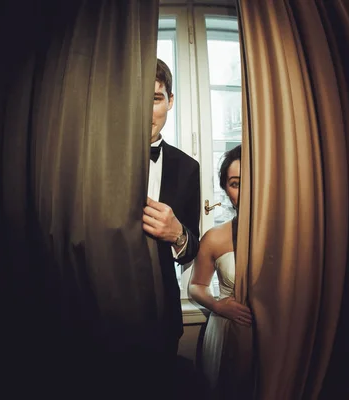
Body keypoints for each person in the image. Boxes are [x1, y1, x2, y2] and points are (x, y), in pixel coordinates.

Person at [142, 58, 201, 391]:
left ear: (170, 101)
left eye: (155, 98)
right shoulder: (88, 161)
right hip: (98, 312)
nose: (147, 111)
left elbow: (191, 249)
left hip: (162, 315)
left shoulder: (187, 168)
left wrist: (177, 233)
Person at [188, 144, 252, 394]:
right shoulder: (215, 237)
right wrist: (217, 305)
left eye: (251, 180)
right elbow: (196, 285)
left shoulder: (291, 235)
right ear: (226, 189)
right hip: (231, 334)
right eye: (235, 183)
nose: (245, 191)